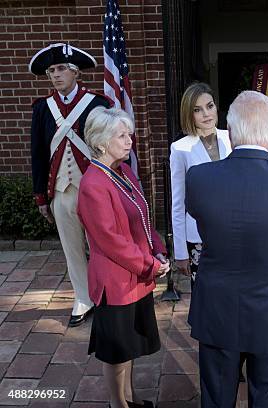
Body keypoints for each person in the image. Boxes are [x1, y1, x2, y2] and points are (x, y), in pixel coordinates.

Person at [185, 90, 268, 408]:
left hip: (218, 309)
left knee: (216, 399)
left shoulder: (200, 178)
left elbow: (196, 214)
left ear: (230, 133)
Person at [77, 107, 169, 408]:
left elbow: (143, 215)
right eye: (122, 135)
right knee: (117, 351)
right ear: (102, 142)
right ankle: (117, 404)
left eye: (129, 134)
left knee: (129, 346)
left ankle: (129, 399)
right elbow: (112, 242)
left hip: (136, 276)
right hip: (115, 283)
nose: (130, 140)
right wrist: (150, 265)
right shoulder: (93, 184)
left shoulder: (123, 171)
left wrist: (158, 249)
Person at [29, 43, 112, 327]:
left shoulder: (97, 104)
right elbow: (38, 153)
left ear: (75, 72)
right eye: (51, 70)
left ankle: (105, 293)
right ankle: (82, 297)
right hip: (61, 190)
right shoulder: (42, 109)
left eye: (61, 68)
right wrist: (41, 196)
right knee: (71, 247)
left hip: (94, 190)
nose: (56, 74)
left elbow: (108, 149)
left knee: (101, 244)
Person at [170, 82, 232, 283]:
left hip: (233, 232)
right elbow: (178, 202)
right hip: (198, 237)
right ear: (189, 113)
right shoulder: (180, 149)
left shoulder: (233, 138)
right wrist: (180, 251)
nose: (206, 113)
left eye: (210, 106)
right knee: (204, 295)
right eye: (197, 109)